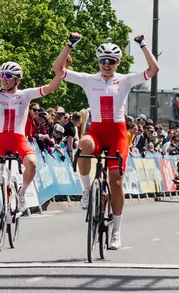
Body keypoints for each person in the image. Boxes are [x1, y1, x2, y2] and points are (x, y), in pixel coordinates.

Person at [52, 32, 159, 251]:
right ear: (98, 62)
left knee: (115, 181)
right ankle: (87, 191)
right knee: (84, 146)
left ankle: (117, 231)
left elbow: (153, 70)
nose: (107, 65)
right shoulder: (89, 79)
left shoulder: (125, 79)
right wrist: (69, 45)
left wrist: (143, 45)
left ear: (118, 62)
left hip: (118, 132)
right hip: (98, 130)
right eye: (103, 61)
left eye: (111, 61)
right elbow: (57, 69)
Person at [0, 48, 62, 233]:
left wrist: (61, 71)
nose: (3, 78)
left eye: (8, 75)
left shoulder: (25, 95)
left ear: (17, 79)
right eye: (1, 75)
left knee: (31, 162)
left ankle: (21, 194)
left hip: (17, 140)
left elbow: (50, 88)